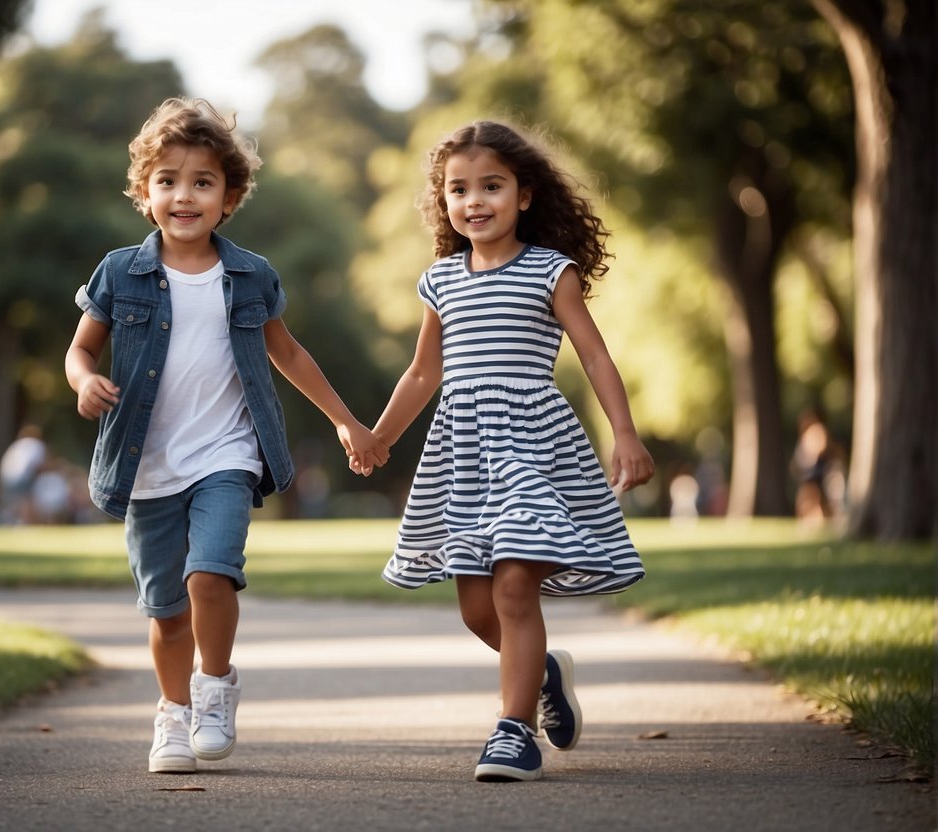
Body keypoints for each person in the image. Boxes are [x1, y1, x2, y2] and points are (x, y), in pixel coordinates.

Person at [65, 97, 387, 776]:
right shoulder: (119, 272)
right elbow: (79, 350)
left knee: (211, 575)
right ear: (145, 193)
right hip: (146, 463)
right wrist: (82, 381)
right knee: (166, 609)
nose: (184, 195)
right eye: (168, 181)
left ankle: (214, 689)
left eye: (203, 181)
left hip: (227, 456)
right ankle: (172, 715)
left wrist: (345, 421)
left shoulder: (249, 275)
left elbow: (289, 355)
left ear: (229, 197)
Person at [358, 119, 654, 782]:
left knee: (516, 583)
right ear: (444, 202)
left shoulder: (552, 272)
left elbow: (595, 355)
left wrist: (625, 432)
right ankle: (542, 671)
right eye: (458, 189)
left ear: (523, 195)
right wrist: (380, 436)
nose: (474, 200)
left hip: (532, 446)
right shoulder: (440, 281)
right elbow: (422, 375)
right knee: (477, 608)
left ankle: (512, 730)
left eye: (490, 185)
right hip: (462, 453)